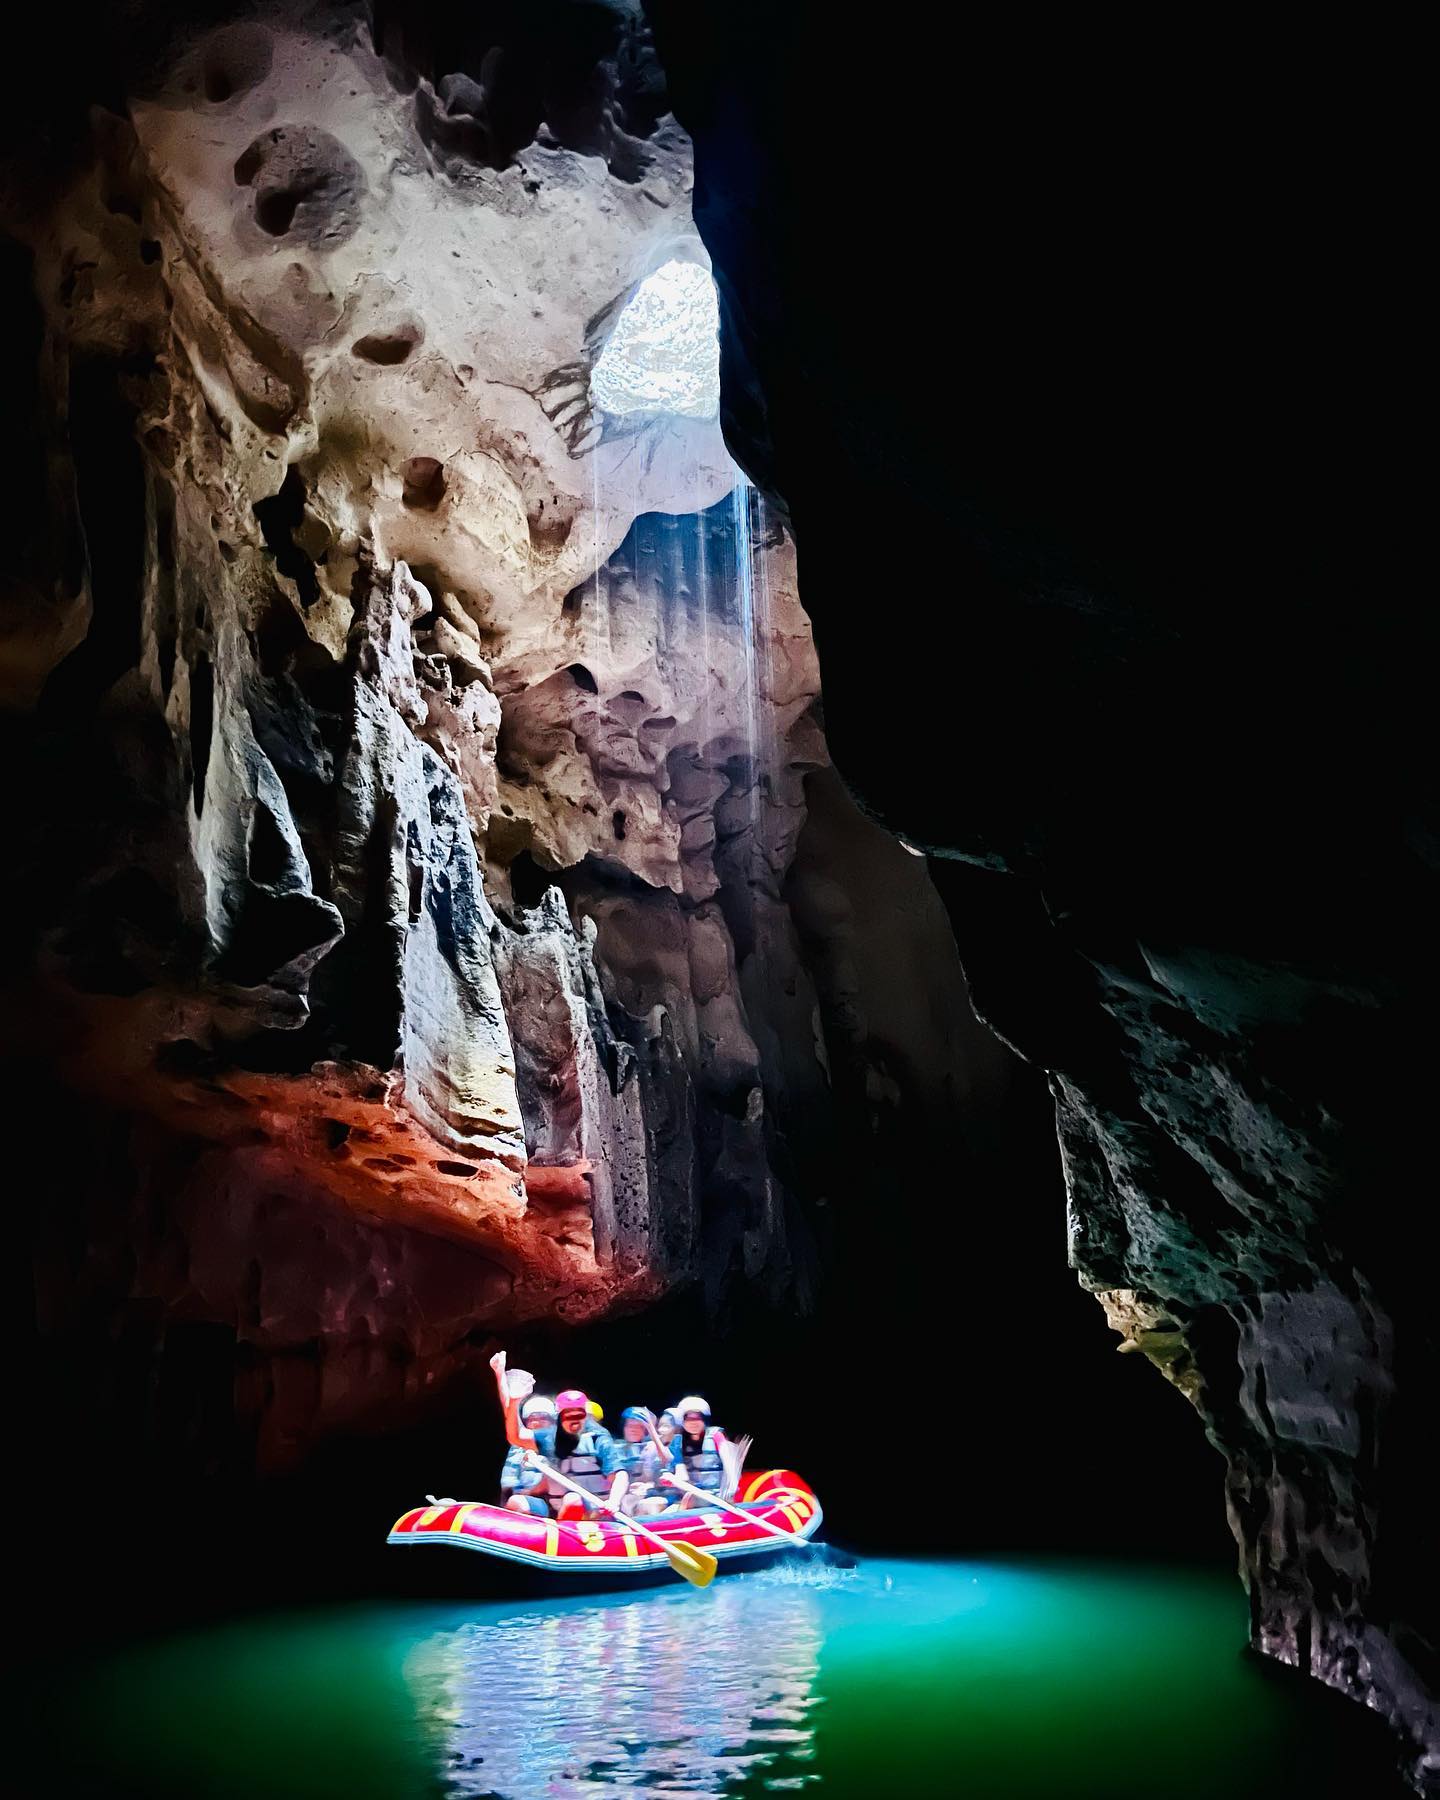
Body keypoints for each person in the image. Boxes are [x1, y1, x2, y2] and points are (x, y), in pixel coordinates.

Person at [611, 1405, 681, 1517]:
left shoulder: (653, 1447)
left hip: (648, 1496)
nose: (633, 1429)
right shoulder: (614, 1448)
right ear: (623, 1427)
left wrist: (647, 1486)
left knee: (649, 1505)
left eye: (639, 1426)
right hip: (623, 1498)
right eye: (630, 1425)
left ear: (645, 1430)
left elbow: (667, 1460)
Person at [668, 1395, 732, 1508]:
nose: (693, 1422)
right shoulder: (678, 1442)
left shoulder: (716, 1435)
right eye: (689, 1418)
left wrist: (730, 1488)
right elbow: (681, 1472)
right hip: (693, 1498)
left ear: (704, 1419)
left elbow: (730, 1464)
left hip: (718, 1498)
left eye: (698, 1418)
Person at [500, 1396, 556, 1513]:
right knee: (516, 1502)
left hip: (552, 1501)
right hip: (525, 1500)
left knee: (518, 1502)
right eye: (532, 1419)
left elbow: (552, 1481)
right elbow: (508, 1481)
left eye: (543, 1418)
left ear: (553, 1421)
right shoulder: (518, 1448)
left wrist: (531, 1492)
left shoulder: (557, 1444)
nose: (537, 1423)